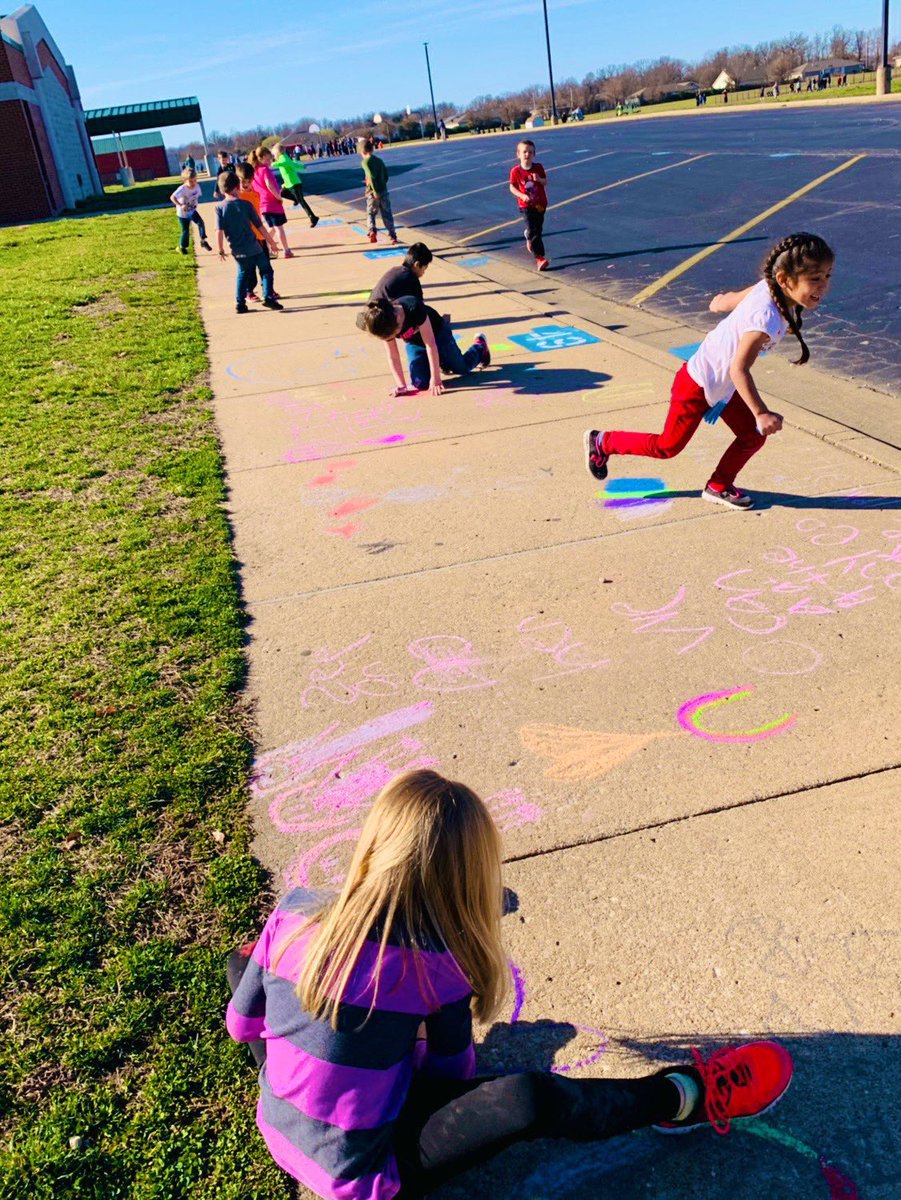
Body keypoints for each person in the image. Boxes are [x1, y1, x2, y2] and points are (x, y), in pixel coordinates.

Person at [227, 769, 795, 1199]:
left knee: (246, 965)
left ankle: (337, 1050)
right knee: (527, 1099)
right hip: (366, 1174)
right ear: (469, 881)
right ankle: (682, 1097)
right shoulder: (436, 969)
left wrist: (344, 1036)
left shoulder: (294, 910)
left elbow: (241, 1025)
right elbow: (451, 1077)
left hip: (279, 1125)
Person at [584, 232, 835, 510]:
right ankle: (603, 441)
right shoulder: (765, 319)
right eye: (815, 278)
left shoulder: (767, 288)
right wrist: (761, 412)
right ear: (785, 279)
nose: (823, 285)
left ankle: (718, 486)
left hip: (721, 386)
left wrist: (720, 303)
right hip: (697, 384)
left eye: (827, 276)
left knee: (752, 435)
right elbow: (738, 369)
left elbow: (730, 301)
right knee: (667, 447)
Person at [356, 294, 489, 396]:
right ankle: (441, 361)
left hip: (438, 334)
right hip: (415, 342)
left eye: (393, 335)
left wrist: (436, 378)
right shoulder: (383, 323)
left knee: (461, 368)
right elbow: (393, 356)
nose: (393, 338)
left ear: (397, 319)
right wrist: (401, 385)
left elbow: (430, 344)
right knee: (420, 383)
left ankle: (480, 346)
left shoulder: (413, 307)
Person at [214, 169, 283, 314]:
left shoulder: (219, 208)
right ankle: (268, 297)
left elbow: (218, 231)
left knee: (242, 274)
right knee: (266, 270)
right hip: (254, 248)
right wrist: (271, 242)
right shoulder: (246, 205)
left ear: (221, 190)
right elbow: (260, 227)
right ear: (237, 187)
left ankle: (240, 304)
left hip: (237, 249)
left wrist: (220, 250)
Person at [509, 139, 549, 272]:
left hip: (540, 204)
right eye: (525, 152)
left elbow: (545, 182)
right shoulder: (516, 171)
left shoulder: (538, 168)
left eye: (530, 152)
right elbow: (512, 187)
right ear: (518, 154)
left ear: (534, 154)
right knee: (535, 231)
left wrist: (539, 179)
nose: (527, 154)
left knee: (538, 229)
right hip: (526, 205)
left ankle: (529, 235)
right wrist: (522, 195)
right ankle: (540, 258)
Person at [248, 145, 293, 258]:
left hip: (263, 205)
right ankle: (286, 250)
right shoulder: (265, 170)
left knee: (272, 227)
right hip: (272, 203)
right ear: (260, 158)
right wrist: (278, 197)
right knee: (279, 228)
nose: (269, 162)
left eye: (270, 159)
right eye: (267, 159)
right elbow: (269, 185)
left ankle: (265, 246)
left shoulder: (254, 172)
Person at [358, 138, 398, 245]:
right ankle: (392, 235)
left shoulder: (365, 162)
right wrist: (382, 185)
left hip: (372, 192)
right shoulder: (379, 161)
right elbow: (386, 176)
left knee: (371, 213)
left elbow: (370, 177)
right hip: (384, 191)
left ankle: (372, 231)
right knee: (387, 214)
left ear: (362, 151)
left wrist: (375, 190)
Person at [272, 141, 319, 227]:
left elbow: (285, 163)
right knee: (282, 193)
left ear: (278, 152)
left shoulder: (283, 158)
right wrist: (301, 166)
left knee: (302, 202)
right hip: (288, 184)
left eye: (274, 154)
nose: (274, 156)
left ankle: (313, 217)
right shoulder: (283, 157)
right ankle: (296, 199)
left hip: (294, 184)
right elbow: (293, 164)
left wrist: (273, 164)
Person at [169, 167, 212, 255]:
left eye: (195, 180)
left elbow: (197, 196)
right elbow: (172, 197)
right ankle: (182, 247)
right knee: (185, 230)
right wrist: (181, 205)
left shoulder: (197, 187)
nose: (193, 183)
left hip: (192, 210)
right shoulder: (182, 189)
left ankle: (203, 241)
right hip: (182, 213)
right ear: (184, 181)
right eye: (191, 181)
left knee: (201, 223)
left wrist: (195, 203)